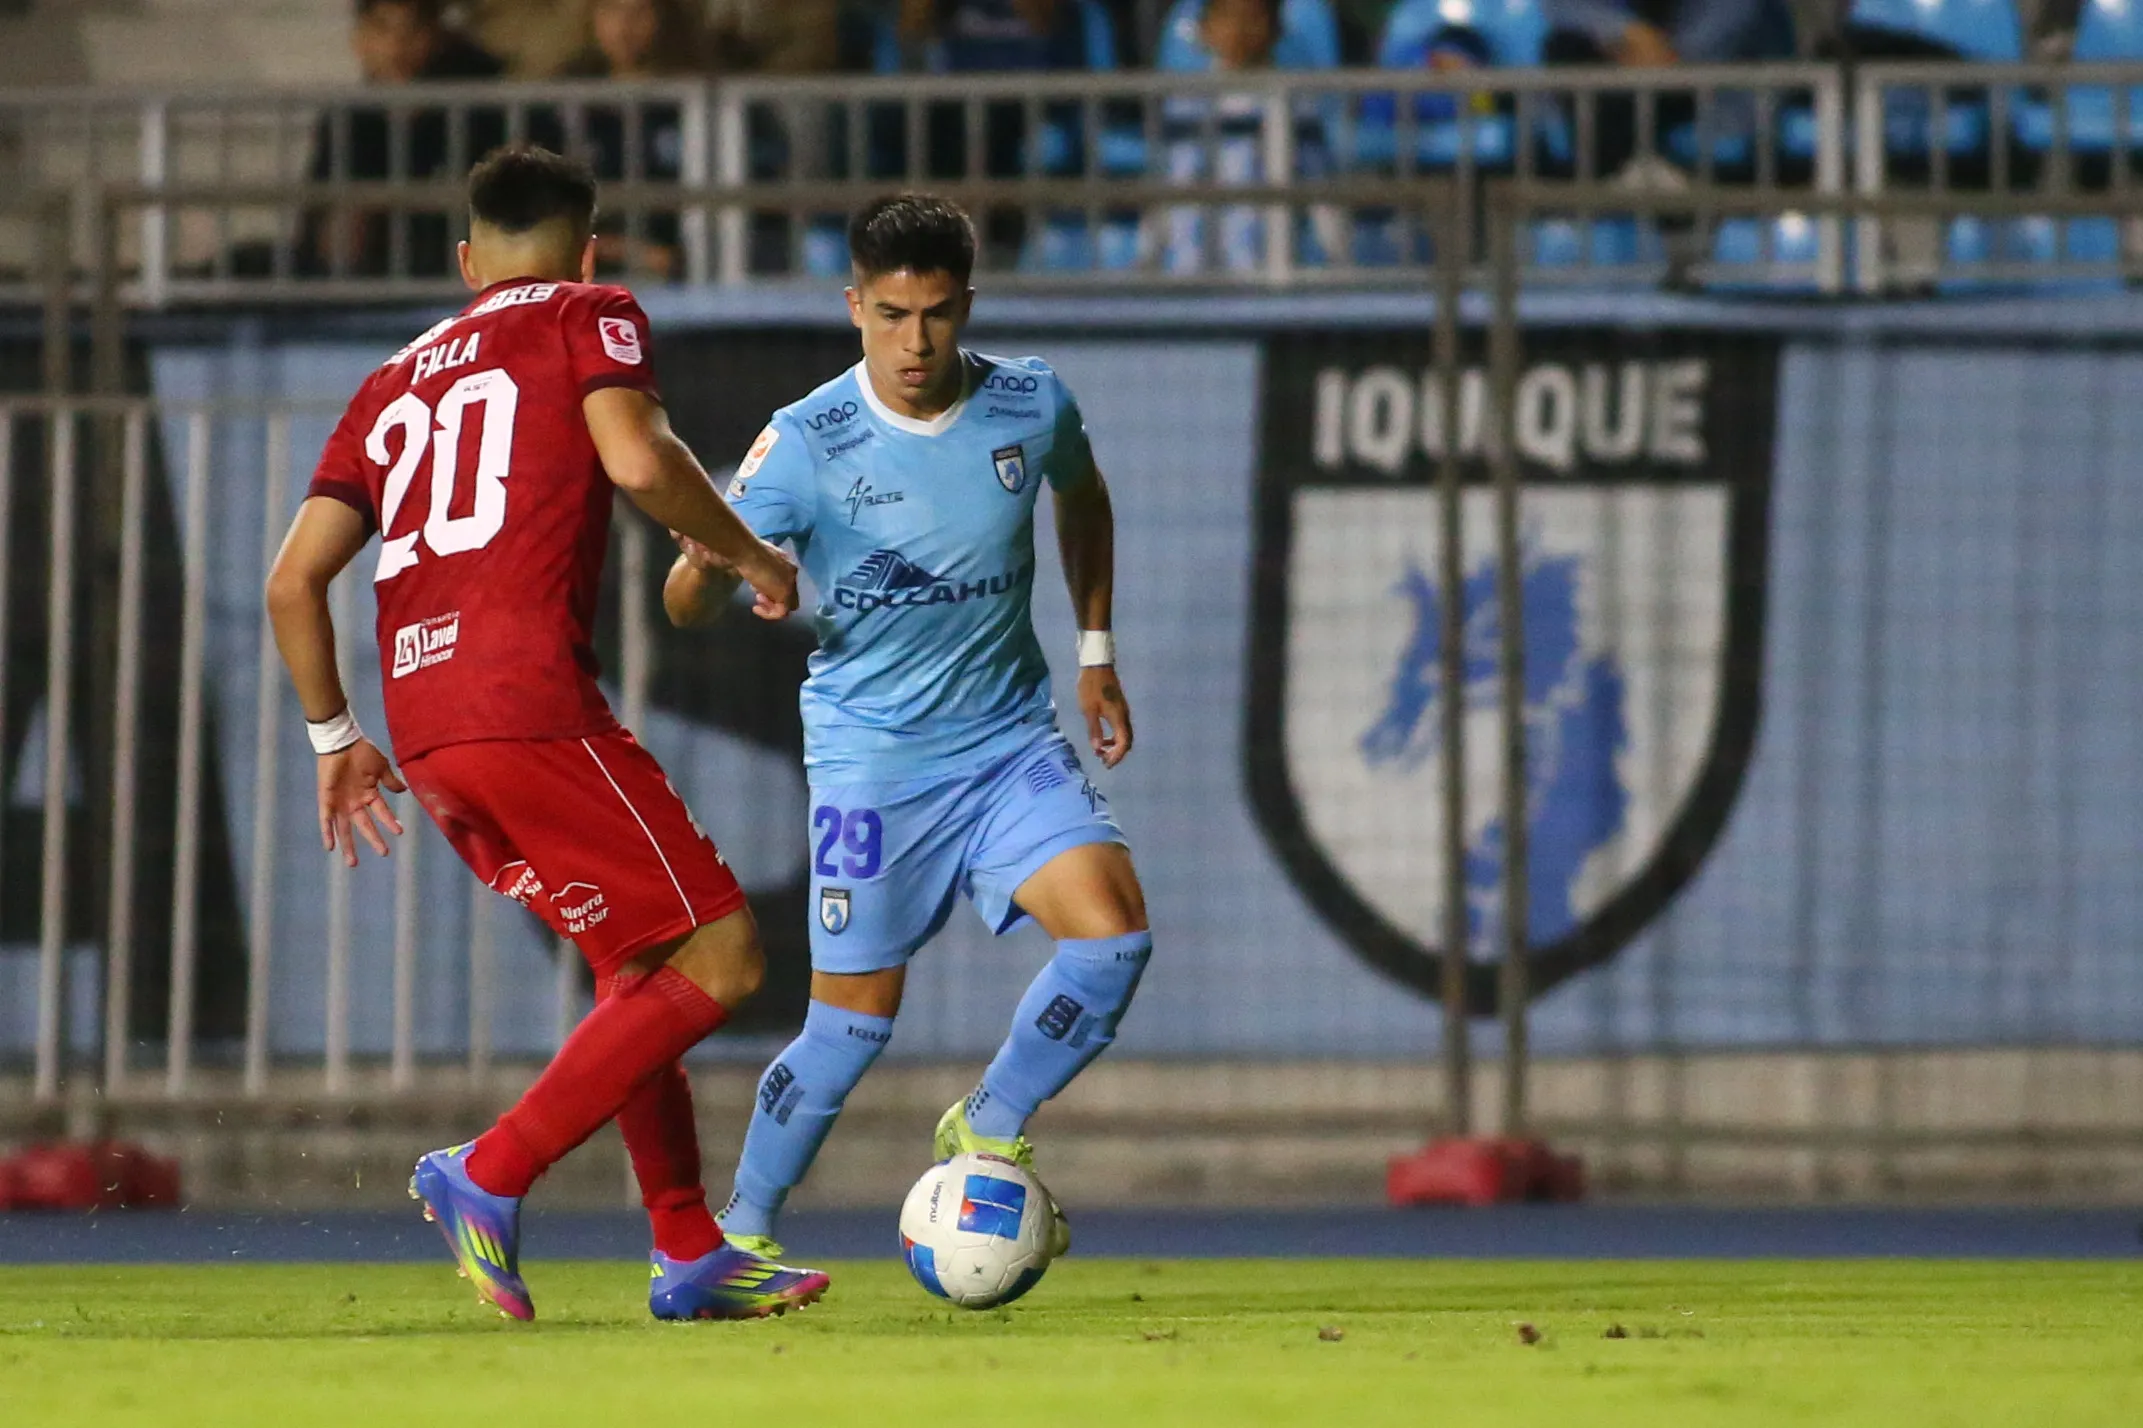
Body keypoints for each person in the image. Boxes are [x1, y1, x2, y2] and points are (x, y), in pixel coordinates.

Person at [265, 143, 829, 1324]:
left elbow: (292, 581)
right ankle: (491, 1170)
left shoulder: (388, 380)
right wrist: (749, 553)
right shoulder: (590, 311)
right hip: (523, 698)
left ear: (466, 260)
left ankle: (688, 1249)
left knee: (638, 966)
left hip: (423, 727)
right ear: (587, 245)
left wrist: (333, 738)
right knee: (723, 957)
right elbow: (637, 458)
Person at [664, 194, 1151, 1257]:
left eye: (934, 314)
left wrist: (1097, 652)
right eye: (890, 314)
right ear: (853, 306)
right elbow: (681, 601)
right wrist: (708, 567)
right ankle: (734, 1241)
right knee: (847, 1031)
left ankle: (988, 1122)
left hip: (1008, 743)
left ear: (964, 304)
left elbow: (1084, 497)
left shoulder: (1030, 403)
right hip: (873, 768)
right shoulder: (805, 442)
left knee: (1112, 942)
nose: (914, 341)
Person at [298, 0, 507, 278]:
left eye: (412, 31)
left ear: (436, 37)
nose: (397, 46)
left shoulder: (475, 112)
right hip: (357, 282)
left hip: (446, 276)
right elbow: (325, 228)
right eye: (383, 29)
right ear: (360, 40)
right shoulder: (345, 120)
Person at [561, 0, 703, 280]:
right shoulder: (565, 100)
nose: (625, 27)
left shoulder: (691, 101)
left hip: (681, 268)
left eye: (640, 13)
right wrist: (627, 251)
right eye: (611, 11)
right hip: (588, 270)